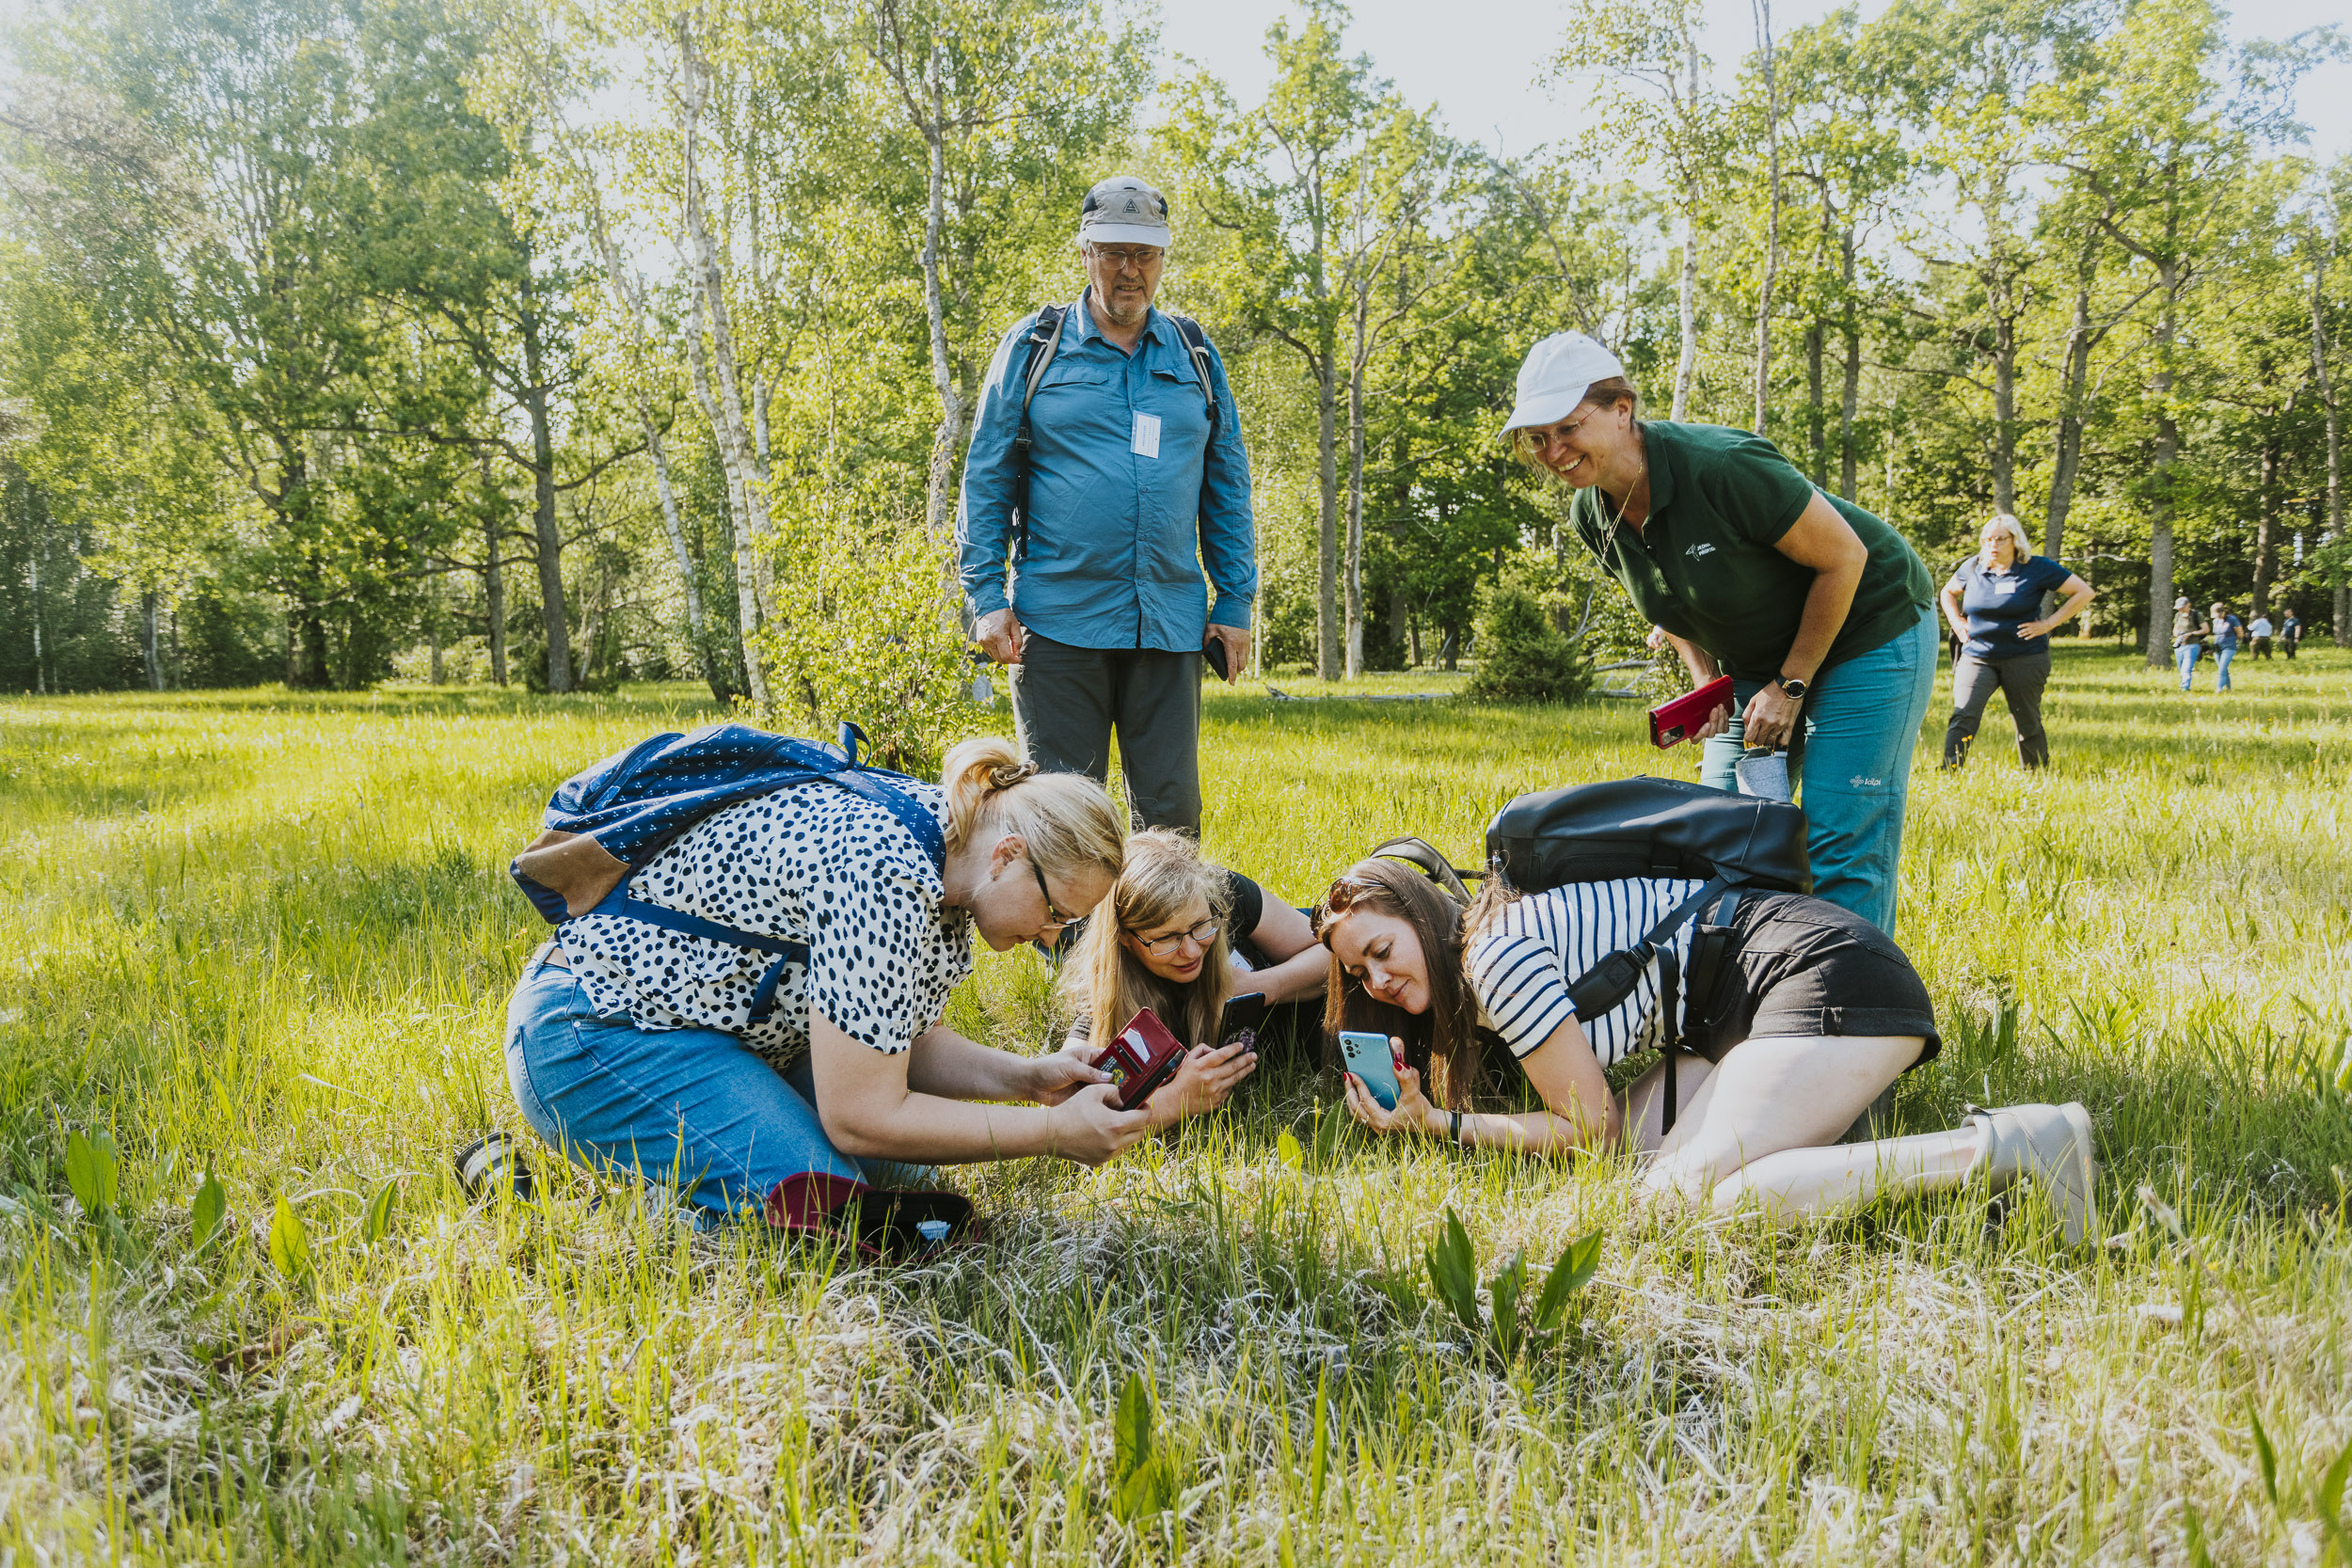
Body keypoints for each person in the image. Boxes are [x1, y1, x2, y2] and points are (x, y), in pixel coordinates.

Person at [504, 737, 1187, 1228]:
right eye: (1056, 912)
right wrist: (1052, 1132)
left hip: (719, 1042)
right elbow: (861, 1113)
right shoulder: (884, 872)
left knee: (907, 1190)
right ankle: (557, 1202)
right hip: (597, 1033)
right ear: (1009, 857)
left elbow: (895, 1041)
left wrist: (1031, 1079)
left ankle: (673, 1165)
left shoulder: (952, 852)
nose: (1049, 935)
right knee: (833, 1214)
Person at [1313, 858, 2099, 1241]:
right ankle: (1893, 1156)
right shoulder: (1489, 962)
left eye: (1382, 948)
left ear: (1420, 913)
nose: (1377, 978)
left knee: (1681, 1206)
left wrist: (1438, 1127)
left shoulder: (1494, 958)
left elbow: (1589, 1129)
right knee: (1634, 1189)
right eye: (1358, 971)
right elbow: (1607, 1141)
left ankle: (2006, 1147)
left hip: (1817, 973)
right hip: (1741, 1020)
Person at [1505, 331, 1938, 935]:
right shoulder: (1592, 512)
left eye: (1567, 427)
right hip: (1762, 659)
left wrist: (1790, 685)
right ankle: (1758, 981)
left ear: (1622, 410)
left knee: (1839, 842)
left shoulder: (1722, 464)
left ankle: (1855, 1010)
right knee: (1723, 837)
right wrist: (1707, 681)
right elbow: (1668, 599)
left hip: (1868, 628)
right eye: (1538, 439)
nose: (1553, 450)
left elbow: (1844, 558)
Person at [957, 175, 1256, 834]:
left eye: (1144, 254)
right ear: (1085, 252)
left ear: (1162, 258)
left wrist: (1235, 600)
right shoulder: (1035, 346)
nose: (1130, 270)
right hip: (1057, 624)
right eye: (1114, 252)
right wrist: (984, 597)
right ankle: (1073, 945)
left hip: (1169, 623)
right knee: (1064, 825)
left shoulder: (1195, 354)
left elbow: (1227, 479)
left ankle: (1165, 941)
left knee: (1172, 821)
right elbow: (986, 475)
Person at [1055, 831, 1321, 1111]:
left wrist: (1256, 987)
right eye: (1167, 938)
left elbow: (1332, 951)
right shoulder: (1108, 994)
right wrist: (1177, 1101)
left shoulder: (1224, 893)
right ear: (1123, 937)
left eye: (1199, 926)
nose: (1192, 952)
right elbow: (1066, 1108)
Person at [1937, 513, 2095, 769]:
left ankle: (2036, 773)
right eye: (1987, 539)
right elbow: (1947, 592)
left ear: (2015, 540)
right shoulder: (1974, 566)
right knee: (1964, 712)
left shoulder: (2036, 567)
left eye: (2000, 539)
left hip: (2025, 656)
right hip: (1977, 656)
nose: (1993, 545)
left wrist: (2049, 624)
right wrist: (1956, 622)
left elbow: (2083, 592)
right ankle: (1949, 771)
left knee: (2027, 718)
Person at [2171, 596, 2207, 690]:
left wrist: (2191, 634)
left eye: (2182, 607)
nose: (2180, 609)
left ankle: (2185, 688)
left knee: (2186, 668)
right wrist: (2177, 634)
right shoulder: (2178, 615)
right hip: (2180, 646)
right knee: (2181, 669)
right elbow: (2176, 628)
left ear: (2188, 605)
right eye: (2179, 608)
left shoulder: (2196, 615)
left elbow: (2206, 629)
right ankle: (2186, 685)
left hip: (2192, 645)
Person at [2209, 602, 2243, 693]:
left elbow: (2240, 633)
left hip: (2229, 647)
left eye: (2218, 614)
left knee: (2222, 669)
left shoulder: (2232, 619)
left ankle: (2219, 689)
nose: (2217, 616)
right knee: (2223, 669)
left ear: (2223, 612)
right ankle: (2229, 689)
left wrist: (2236, 642)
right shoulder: (2215, 621)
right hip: (2217, 648)